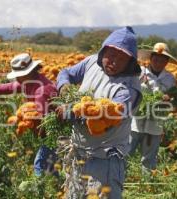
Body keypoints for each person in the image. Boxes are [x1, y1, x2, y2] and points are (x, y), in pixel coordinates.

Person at [56, 27, 142, 199]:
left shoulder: (128, 88)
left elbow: (107, 116)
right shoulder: (91, 63)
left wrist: (71, 111)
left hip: (105, 160)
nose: (114, 62)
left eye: (121, 58)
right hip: (78, 153)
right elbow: (65, 73)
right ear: (103, 51)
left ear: (130, 62)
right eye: (111, 55)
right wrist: (64, 85)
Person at [0, 53, 58, 176]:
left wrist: (24, 122)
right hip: (47, 134)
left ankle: (44, 191)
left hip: (53, 135)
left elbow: (45, 121)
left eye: (18, 76)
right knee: (50, 167)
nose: (16, 79)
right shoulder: (29, 81)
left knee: (41, 166)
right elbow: (11, 87)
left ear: (28, 72)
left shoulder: (41, 90)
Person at [130, 42, 177, 172]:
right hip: (135, 120)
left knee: (149, 158)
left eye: (162, 59)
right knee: (126, 153)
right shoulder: (138, 72)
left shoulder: (170, 79)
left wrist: (169, 100)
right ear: (150, 58)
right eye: (155, 58)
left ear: (167, 62)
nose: (158, 61)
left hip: (155, 123)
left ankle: (147, 185)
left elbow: (174, 101)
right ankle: (119, 183)